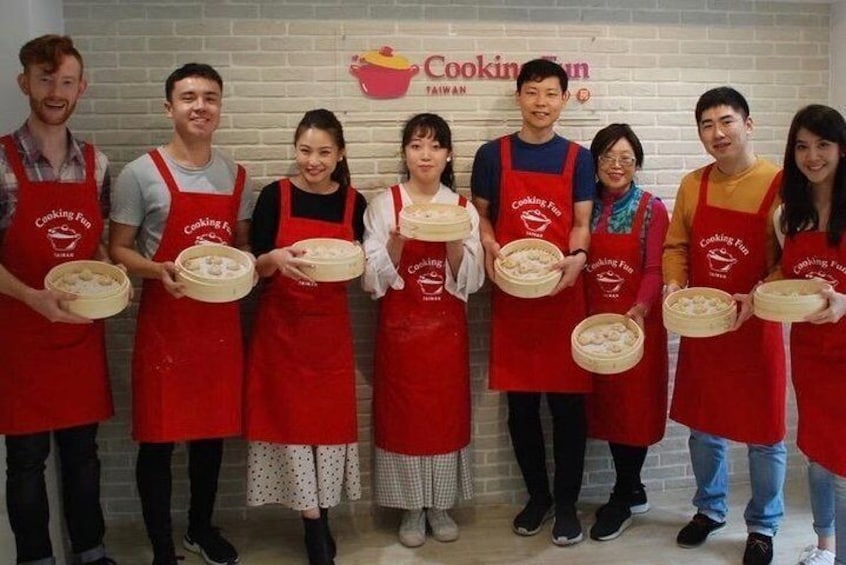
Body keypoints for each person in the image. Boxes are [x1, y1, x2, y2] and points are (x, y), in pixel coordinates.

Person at [109, 63, 253, 565]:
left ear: (220, 106)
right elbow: (118, 249)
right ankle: (162, 547)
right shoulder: (139, 173)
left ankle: (198, 529)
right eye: (189, 97)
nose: (200, 106)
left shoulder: (236, 175)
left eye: (210, 97)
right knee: (158, 441)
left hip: (219, 330)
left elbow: (240, 245)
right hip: (165, 329)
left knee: (211, 437)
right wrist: (157, 269)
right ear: (169, 107)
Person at [0, 33, 115, 565]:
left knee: (82, 457)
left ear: (81, 87)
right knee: (25, 461)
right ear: (25, 82)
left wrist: (112, 280)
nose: (55, 91)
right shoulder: (0, 162)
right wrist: (30, 296)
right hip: (19, 335)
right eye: (45, 79)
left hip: (77, 334)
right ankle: (35, 560)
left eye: (66, 81)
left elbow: (94, 244)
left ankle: (90, 553)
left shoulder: (96, 165)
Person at [470, 58, 596, 546]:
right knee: (521, 408)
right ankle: (537, 496)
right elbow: (480, 217)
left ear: (564, 100)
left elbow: (581, 222)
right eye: (532, 92)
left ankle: (567, 505)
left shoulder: (578, 158)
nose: (541, 102)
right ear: (518, 97)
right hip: (514, 296)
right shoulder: (491, 155)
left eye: (550, 94)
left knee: (568, 409)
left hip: (563, 294)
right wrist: (488, 244)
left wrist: (579, 256)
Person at [663, 86, 786, 565]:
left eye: (726, 121)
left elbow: (789, 261)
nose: (717, 133)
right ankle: (709, 510)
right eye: (707, 125)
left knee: (765, 435)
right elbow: (676, 246)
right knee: (703, 428)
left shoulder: (779, 183)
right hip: (703, 327)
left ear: (748, 124)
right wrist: (674, 284)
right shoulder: (694, 184)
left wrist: (758, 295)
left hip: (757, 327)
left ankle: (762, 525)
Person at [244, 108, 366, 565]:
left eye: (323, 152)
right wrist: (274, 256)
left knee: (329, 432)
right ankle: (312, 524)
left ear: (340, 155)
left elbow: (362, 271)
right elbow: (252, 268)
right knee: (292, 431)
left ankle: (325, 514)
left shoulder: (356, 203)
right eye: (305, 150)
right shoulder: (275, 196)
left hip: (330, 337)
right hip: (281, 334)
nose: (312, 161)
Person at [363, 113, 484, 548]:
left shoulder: (462, 207)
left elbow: (472, 281)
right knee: (405, 422)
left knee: (444, 422)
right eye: (416, 145)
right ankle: (411, 510)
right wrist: (397, 239)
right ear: (405, 153)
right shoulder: (383, 205)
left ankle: (440, 505)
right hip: (400, 336)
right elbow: (370, 281)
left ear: (448, 154)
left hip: (446, 338)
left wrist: (453, 238)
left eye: (435, 145)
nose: (426, 154)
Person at [583, 124, 669, 542]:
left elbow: (655, 269)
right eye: (607, 158)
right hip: (592, 328)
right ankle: (633, 490)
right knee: (604, 408)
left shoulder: (652, 209)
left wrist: (640, 307)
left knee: (632, 411)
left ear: (637, 165)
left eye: (626, 159)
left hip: (635, 325)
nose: (617, 167)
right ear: (595, 162)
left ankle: (623, 495)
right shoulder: (585, 207)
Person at [772, 104, 846, 565]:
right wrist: (761, 292)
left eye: (822, 144)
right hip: (812, 356)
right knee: (819, 455)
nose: (812, 156)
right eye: (802, 146)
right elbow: (786, 273)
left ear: (841, 148)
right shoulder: (789, 216)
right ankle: (825, 546)